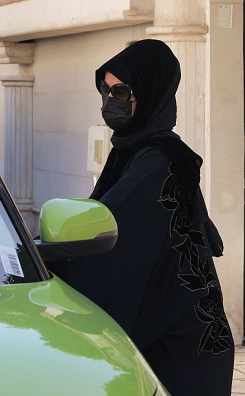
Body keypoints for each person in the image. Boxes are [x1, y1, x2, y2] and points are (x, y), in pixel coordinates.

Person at [50, 39, 234, 395]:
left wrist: (49, 265)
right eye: (105, 90)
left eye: (121, 91)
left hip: (182, 351)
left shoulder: (159, 163)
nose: (109, 101)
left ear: (150, 92)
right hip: (174, 338)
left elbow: (112, 238)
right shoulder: (132, 152)